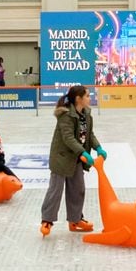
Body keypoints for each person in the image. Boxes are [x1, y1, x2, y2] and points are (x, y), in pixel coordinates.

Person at [40, 85, 104, 237]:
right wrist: (82, 151)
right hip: (62, 157)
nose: (90, 98)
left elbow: (89, 134)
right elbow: (68, 138)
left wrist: (98, 147)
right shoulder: (66, 115)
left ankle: (75, 220)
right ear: (78, 99)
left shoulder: (86, 113)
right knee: (55, 190)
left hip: (76, 158)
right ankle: (47, 220)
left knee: (78, 189)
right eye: (87, 96)